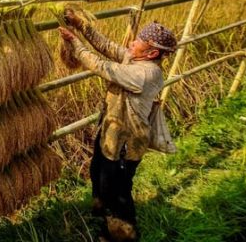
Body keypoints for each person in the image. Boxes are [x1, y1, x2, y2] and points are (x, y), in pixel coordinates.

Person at [59, 15, 177, 242]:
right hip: (111, 132)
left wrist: (75, 43)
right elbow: (106, 46)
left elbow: (102, 66)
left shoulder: (144, 73)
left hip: (126, 143)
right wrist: (81, 25)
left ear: (151, 53)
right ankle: (103, 216)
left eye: (138, 41)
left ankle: (122, 234)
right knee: (98, 173)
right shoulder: (135, 60)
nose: (131, 43)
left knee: (118, 193)